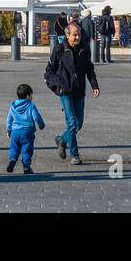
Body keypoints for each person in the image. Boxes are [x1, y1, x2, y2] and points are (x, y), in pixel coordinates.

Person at [43, 21, 99, 165]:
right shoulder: (59, 49)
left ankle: (61, 140)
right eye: (74, 35)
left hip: (80, 91)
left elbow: (89, 69)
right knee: (72, 123)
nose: (77, 37)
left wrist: (94, 86)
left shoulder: (85, 49)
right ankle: (75, 154)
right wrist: (60, 83)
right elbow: (48, 72)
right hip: (65, 92)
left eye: (79, 34)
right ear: (67, 35)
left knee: (78, 124)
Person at [5, 83, 45, 174]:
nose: (32, 97)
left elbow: (9, 119)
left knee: (14, 147)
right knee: (27, 149)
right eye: (32, 95)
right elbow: (37, 117)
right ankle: (26, 167)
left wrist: (8, 130)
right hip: (27, 132)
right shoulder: (31, 105)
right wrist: (41, 124)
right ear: (28, 96)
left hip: (15, 132)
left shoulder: (13, 105)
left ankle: (13, 159)